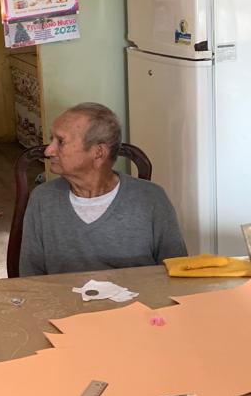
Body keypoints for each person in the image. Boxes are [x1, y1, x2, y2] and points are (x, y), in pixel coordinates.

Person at [20, 103, 187, 275]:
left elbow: (177, 271)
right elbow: (30, 277)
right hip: (61, 294)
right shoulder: (42, 199)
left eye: (60, 142)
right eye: (52, 140)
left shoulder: (152, 199)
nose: (48, 151)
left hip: (140, 293)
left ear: (98, 152)